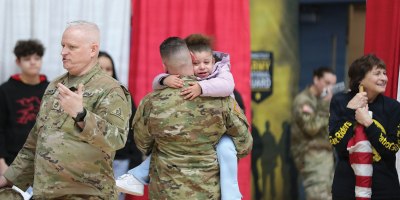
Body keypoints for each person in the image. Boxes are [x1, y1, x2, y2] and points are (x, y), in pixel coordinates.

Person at [0, 20, 132, 199]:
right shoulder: (55, 85)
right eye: (63, 45)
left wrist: (82, 115)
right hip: (45, 193)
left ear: (93, 50)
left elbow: (117, 139)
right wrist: (9, 179)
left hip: (86, 194)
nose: (63, 52)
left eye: (72, 47)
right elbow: (35, 140)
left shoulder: (111, 89)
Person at [117, 34, 243, 200]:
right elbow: (243, 141)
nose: (203, 67)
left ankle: (137, 176)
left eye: (207, 62)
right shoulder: (222, 100)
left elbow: (142, 142)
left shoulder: (151, 101)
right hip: (208, 190)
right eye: (198, 62)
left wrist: (168, 146)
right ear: (191, 58)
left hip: (165, 190)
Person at [329, 54, 400, 200]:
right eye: (377, 73)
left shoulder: (393, 107)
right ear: (360, 79)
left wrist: (369, 123)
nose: (384, 78)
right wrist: (350, 111)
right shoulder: (340, 101)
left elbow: (392, 148)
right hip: (347, 187)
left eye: (384, 73)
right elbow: (337, 143)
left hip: (384, 188)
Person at [98, 51, 142, 200]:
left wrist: (135, 160)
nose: (104, 72)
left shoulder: (123, 94)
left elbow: (134, 128)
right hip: (90, 160)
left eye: (108, 69)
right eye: (100, 68)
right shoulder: (82, 94)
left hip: (119, 161)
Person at [0, 39, 48, 175]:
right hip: (13, 159)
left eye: (37, 58)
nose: (33, 62)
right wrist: (2, 163)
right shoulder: (5, 90)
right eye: (27, 58)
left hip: (46, 158)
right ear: (18, 62)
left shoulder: (51, 89)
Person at [290, 67, 337, 200]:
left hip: (325, 157)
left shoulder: (321, 100)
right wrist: (325, 105)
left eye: (333, 84)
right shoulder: (304, 100)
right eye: (327, 83)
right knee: (319, 196)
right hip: (311, 157)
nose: (330, 88)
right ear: (316, 79)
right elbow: (311, 127)